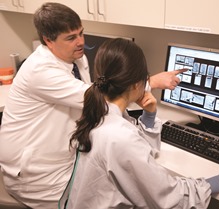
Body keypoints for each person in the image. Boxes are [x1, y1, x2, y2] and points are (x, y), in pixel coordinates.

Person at [0, 2, 184, 209]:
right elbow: (93, 97)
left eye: (81, 33)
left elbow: (102, 103)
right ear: (48, 41)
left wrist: (144, 119)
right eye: (71, 38)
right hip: (35, 175)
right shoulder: (39, 70)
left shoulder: (77, 59)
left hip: (61, 161)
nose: (80, 42)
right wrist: (151, 82)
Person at [64, 38, 219, 209]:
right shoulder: (119, 136)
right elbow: (170, 199)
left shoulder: (98, 113)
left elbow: (136, 155)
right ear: (136, 84)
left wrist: (149, 116)